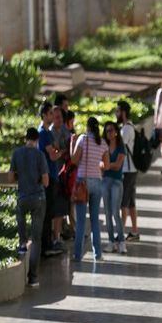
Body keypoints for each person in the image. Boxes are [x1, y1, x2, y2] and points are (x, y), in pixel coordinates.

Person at [9, 127, 49, 287]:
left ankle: (22, 243)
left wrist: (21, 176)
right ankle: (33, 278)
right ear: (37, 140)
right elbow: (46, 181)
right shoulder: (40, 155)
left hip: (23, 196)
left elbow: (11, 177)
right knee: (37, 239)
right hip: (38, 198)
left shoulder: (16, 153)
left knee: (20, 214)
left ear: (25, 138)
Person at [70, 117, 106, 262]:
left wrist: (72, 143)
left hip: (82, 183)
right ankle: (98, 254)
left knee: (80, 222)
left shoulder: (83, 140)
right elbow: (107, 164)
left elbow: (74, 160)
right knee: (95, 220)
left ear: (87, 127)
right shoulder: (102, 142)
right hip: (97, 182)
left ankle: (77, 255)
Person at [37, 101, 65, 255]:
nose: (53, 116)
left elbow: (55, 147)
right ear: (44, 115)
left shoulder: (48, 132)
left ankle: (49, 244)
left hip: (53, 176)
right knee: (47, 213)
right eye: (49, 114)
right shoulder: (42, 133)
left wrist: (56, 150)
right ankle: (46, 246)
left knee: (51, 211)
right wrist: (60, 153)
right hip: (48, 177)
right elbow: (53, 155)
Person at [101, 122, 127, 254]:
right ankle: (111, 241)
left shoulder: (121, 147)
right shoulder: (103, 146)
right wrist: (106, 165)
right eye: (106, 131)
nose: (109, 133)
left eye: (111, 130)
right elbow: (100, 164)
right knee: (107, 213)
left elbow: (117, 165)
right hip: (105, 181)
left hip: (117, 182)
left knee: (116, 213)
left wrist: (105, 165)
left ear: (116, 131)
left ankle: (121, 241)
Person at [116, 100, 140, 242]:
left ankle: (121, 233)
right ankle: (134, 231)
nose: (116, 114)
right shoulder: (128, 127)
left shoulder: (126, 129)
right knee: (130, 202)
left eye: (118, 111)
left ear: (123, 113)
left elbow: (119, 147)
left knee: (123, 203)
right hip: (131, 169)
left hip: (128, 170)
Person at [50, 106, 71, 241]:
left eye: (61, 117)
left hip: (64, 176)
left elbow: (70, 149)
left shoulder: (65, 131)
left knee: (60, 210)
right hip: (52, 175)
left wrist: (61, 151)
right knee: (53, 209)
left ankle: (57, 236)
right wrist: (62, 151)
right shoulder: (49, 132)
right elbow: (53, 154)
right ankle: (52, 236)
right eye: (56, 117)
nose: (59, 120)